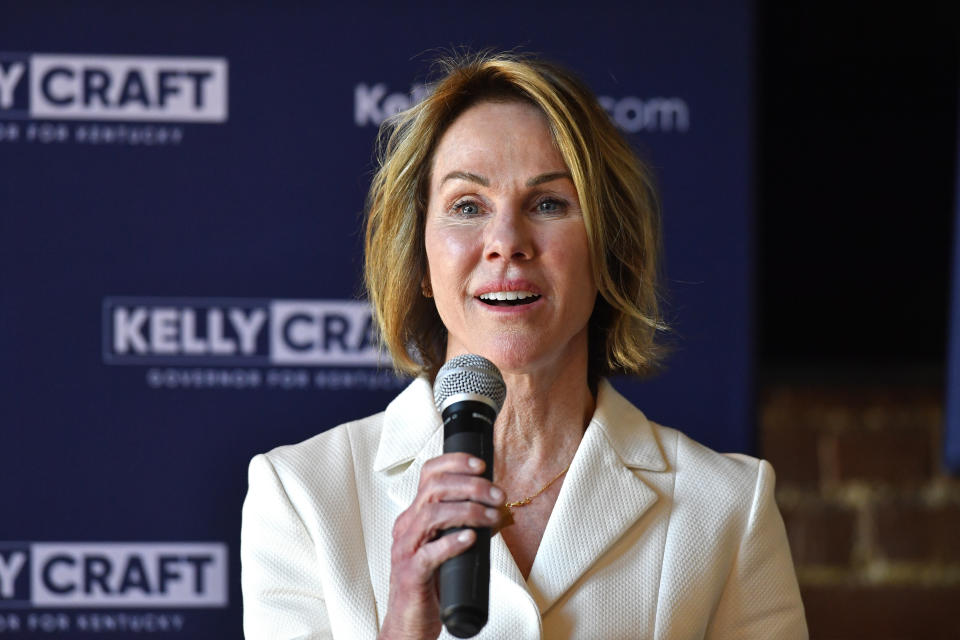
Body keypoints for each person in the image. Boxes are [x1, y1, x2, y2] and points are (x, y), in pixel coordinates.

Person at [241, 52, 808, 639]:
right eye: (467, 206)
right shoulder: (302, 496)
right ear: (420, 263)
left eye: (547, 204)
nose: (506, 242)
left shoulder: (728, 507)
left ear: (609, 250)